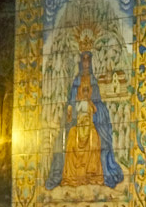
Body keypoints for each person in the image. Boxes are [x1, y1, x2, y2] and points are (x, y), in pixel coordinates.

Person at [45, 50, 124, 190]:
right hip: (78, 125)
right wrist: (71, 111)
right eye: (84, 59)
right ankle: (71, 176)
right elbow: (70, 105)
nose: (86, 63)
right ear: (81, 62)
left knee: (95, 139)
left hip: (90, 124)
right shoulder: (76, 81)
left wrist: (93, 109)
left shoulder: (94, 81)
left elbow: (98, 106)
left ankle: (92, 175)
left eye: (88, 60)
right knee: (69, 140)